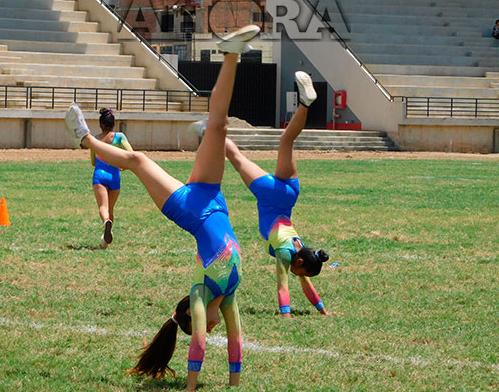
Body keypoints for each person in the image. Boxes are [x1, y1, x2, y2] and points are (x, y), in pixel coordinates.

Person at [65, 25, 259, 390]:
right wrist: (234, 385)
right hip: (213, 197)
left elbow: (198, 343)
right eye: (209, 327)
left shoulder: (202, 293)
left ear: (193, 317)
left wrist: (190, 388)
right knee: (219, 126)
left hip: (188, 210)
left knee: (137, 160)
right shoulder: (229, 293)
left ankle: (85, 138)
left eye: (205, 326)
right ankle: (232, 52)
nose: (212, 329)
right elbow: (236, 342)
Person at [224, 71, 335, 318]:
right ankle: (211, 129)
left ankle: (305, 103)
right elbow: (283, 284)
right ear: (299, 263)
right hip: (270, 196)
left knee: (287, 140)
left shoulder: (303, 250)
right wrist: (285, 315)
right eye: (301, 272)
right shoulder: (287, 254)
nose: (299, 276)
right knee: (236, 158)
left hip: (290, 194)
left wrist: (322, 310)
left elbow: (306, 283)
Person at [89, 107, 133, 248]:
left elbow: (93, 162)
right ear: (114, 124)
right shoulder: (120, 137)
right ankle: (105, 242)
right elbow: (131, 154)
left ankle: (106, 222)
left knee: (103, 207)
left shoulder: (94, 140)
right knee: (110, 209)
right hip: (114, 176)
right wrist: (124, 166)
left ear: (100, 124)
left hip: (100, 176)